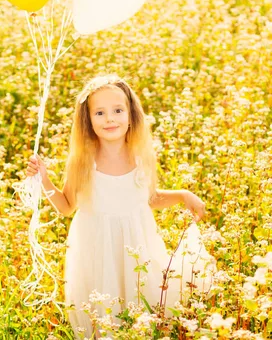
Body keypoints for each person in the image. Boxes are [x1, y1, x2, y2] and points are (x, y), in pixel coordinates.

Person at [26, 74, 217, 339]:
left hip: (137, 245)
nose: (110, 119)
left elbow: (149, 199)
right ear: (88, 120)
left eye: (118, 110)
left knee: (143, 306)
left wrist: (183, 195)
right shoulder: (83, 161)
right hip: (96, 248)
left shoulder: (141, 156)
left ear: (131, 115)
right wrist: (43, 179)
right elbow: (67, 206)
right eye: (100, 113)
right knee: (102, 313)